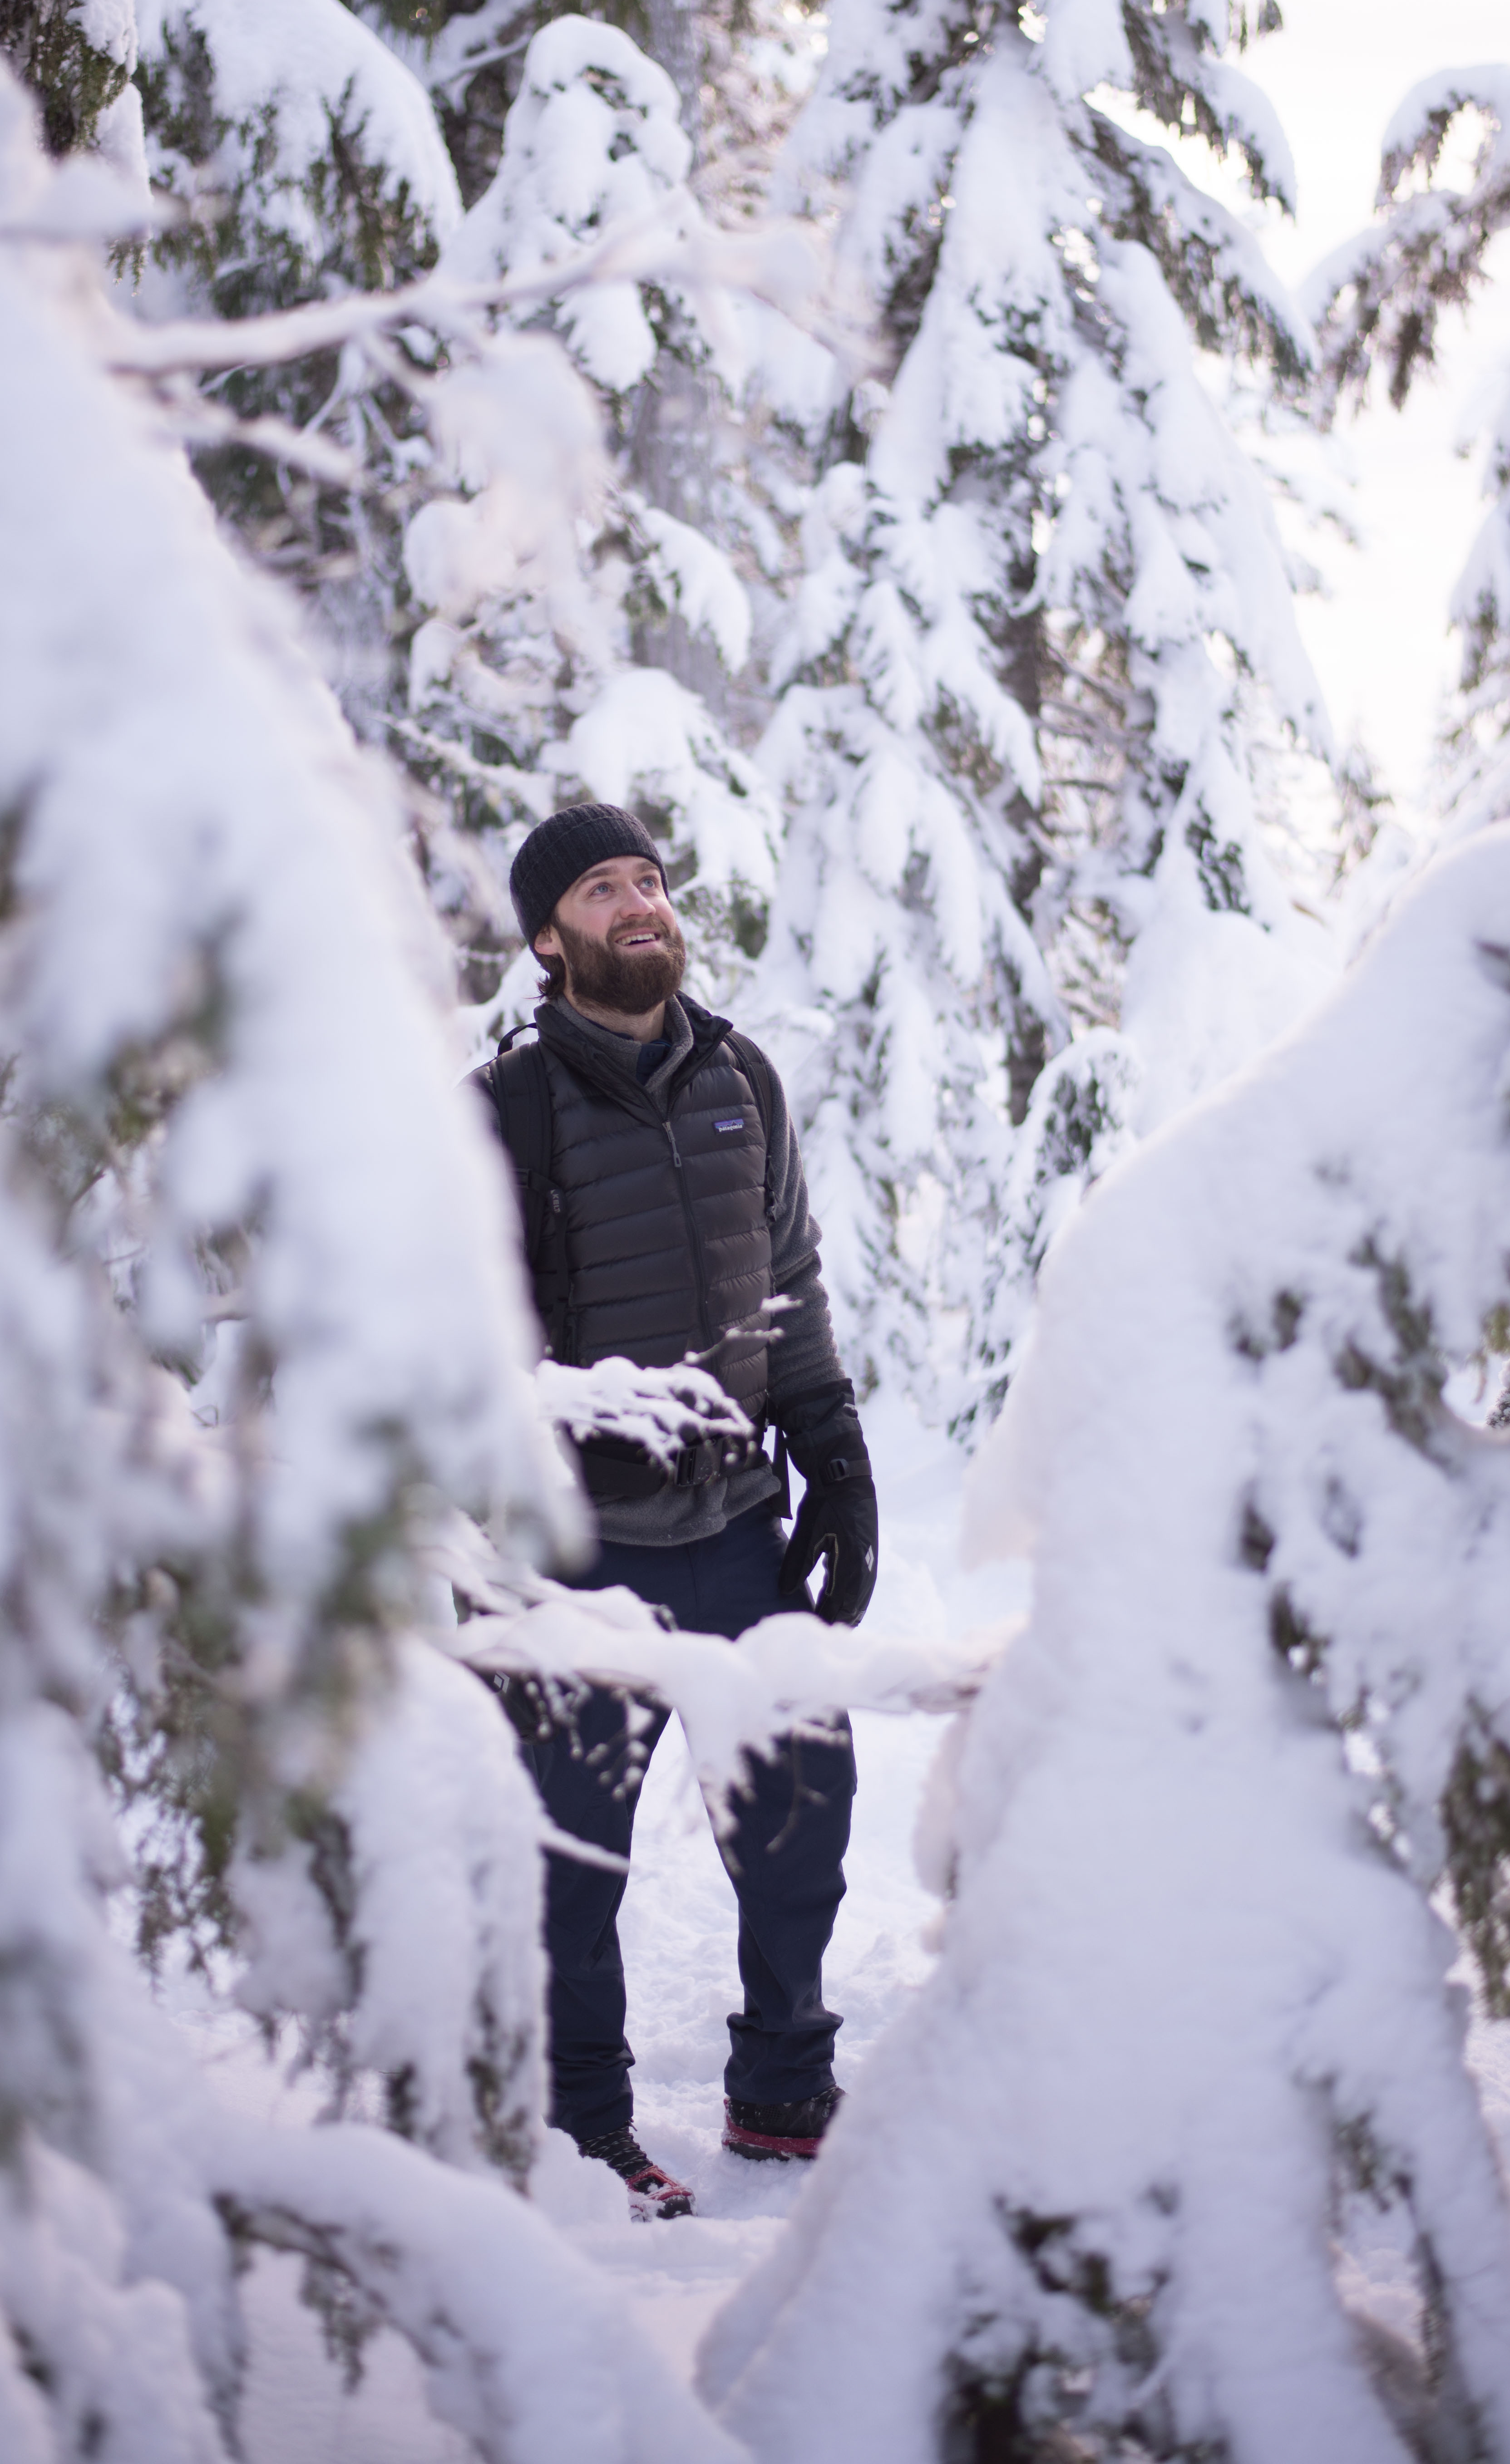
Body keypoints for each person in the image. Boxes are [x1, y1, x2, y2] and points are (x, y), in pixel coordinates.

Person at [474, 802, 878, 2222]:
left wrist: (830, 1445)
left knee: (800, 1820)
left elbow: (790, 1274)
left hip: (733, 1532)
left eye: (651, 877)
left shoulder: (741, 1079)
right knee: (566, 1867)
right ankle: (581, 2127)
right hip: (573, 1561)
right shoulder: (505, 1112)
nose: (640, 900)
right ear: (548, 935)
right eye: (602, 887)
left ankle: (781, 2085)